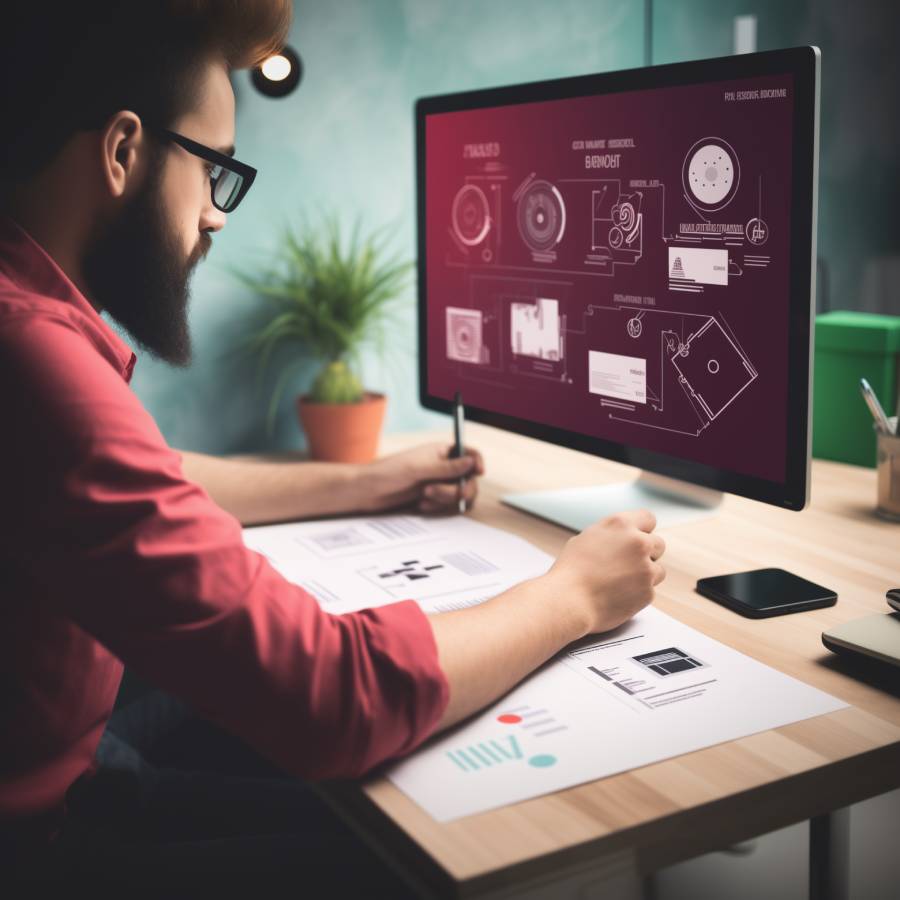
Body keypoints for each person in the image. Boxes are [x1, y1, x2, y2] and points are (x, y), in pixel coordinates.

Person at [0, 1, 666, 891]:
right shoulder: (33, 358)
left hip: (62, 744)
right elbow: (336, 699)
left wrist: (371, 483)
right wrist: (575, 594)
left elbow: (149, 480)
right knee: (415, 860)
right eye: (215, 173)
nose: (215, 217)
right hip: (44, 835)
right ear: (124, 152)